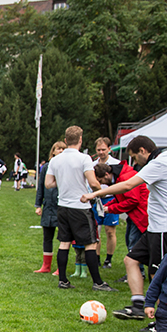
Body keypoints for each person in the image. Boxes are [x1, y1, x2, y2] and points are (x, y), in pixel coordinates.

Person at [83, 136, 166, 321]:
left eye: (135, 158)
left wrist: (95, 193)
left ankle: (160, 320)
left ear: (143, 151)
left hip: (162, 229)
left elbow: (128, 187)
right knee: (131, 260)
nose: (136, 162)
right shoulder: (162, 160)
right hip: (153, 227)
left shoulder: (158, 164)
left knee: (157, 274)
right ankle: (138, 306)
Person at [45, 125, 115, 292]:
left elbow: (48, 184)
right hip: (80, 206)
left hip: (62, 206)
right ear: (81, 140)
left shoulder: (55, 160)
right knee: (90, 243)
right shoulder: (84, 159)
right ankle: (97, 282)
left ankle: (62, 280)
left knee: (64, 243)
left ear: (66, 140)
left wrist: (62, 182)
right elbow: (92, 182)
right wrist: (102, 190)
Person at [94, 159, 149, 286]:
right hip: (135, 215)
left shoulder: (125, 177)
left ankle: (138, 272)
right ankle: (137, 271)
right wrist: (108, 206)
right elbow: (120, 197)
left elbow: (132, 200)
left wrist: (111, 208)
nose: (103, 184)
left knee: (134, 244)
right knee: (130, 241)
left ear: (107, 175)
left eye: (102, 181)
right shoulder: (120, 177)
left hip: (141, 215)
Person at [34, 141, 66, 273]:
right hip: (48, 206)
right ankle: (46, 266)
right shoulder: (46, 167)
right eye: (58, 149)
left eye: (63, 149)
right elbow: (41, 186)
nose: (61, 151)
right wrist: (38, 205)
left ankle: (60, 267)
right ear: (53, 151)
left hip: (62, 205)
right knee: (47, 236)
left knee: (63, 237)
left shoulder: (67, 166)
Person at [93, 137, 120, 268]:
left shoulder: (116, 164)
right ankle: (96, 257)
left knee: (110, 231)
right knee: (96, 230)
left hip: (110, 199)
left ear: (109, 149)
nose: (101, 152)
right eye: (98, 150)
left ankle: (108, 259)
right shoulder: (92, 164)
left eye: (103, 149)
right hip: (97, 199)